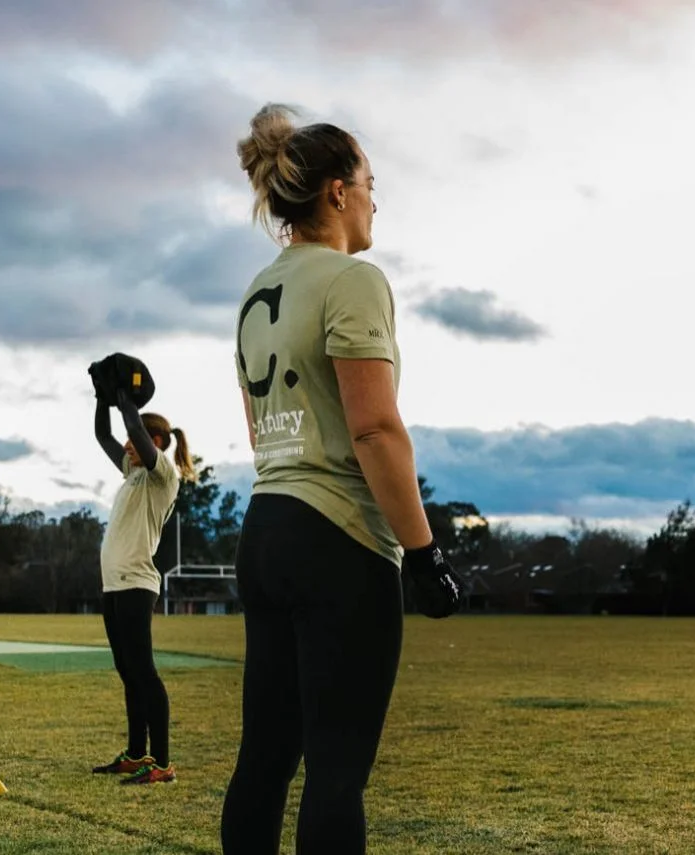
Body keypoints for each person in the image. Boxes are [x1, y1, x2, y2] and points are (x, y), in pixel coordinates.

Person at [220, 103, 458, 854]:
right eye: (369, 182)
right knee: (335, 770)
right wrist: (423, 555)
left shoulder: (258, 294)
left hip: (266, 528)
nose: (374, 199)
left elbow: (262, 431)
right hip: (337, 539)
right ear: (335, 193)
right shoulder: (352, 280)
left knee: (263, 758)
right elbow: (373, 428)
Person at [85, 384, 187, 786]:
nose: (127, 444)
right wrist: (101, 396)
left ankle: (161, 763)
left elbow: (132, 431)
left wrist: (126, 397)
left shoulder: (163, 474)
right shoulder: (132, 473)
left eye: (137, 437)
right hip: (114, 584)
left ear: (155, 441)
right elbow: (102, 436)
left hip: (136, 583)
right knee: (128, 672)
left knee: (143, 672)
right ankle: (135, 754)